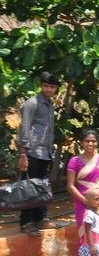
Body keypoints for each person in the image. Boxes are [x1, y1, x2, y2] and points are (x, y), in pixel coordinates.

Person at [17, 71, 59, 236]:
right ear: (41, 86)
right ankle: (26, 222)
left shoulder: (49, 104)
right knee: (28, 187)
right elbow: (25, 128)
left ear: (55, 88)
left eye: (52, 87)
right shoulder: (31, 103)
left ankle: (40, 219)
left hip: (45, 152)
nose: (49, 89)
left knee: (41, 187)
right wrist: (23, 154)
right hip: (32, 152)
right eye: (46, 86)